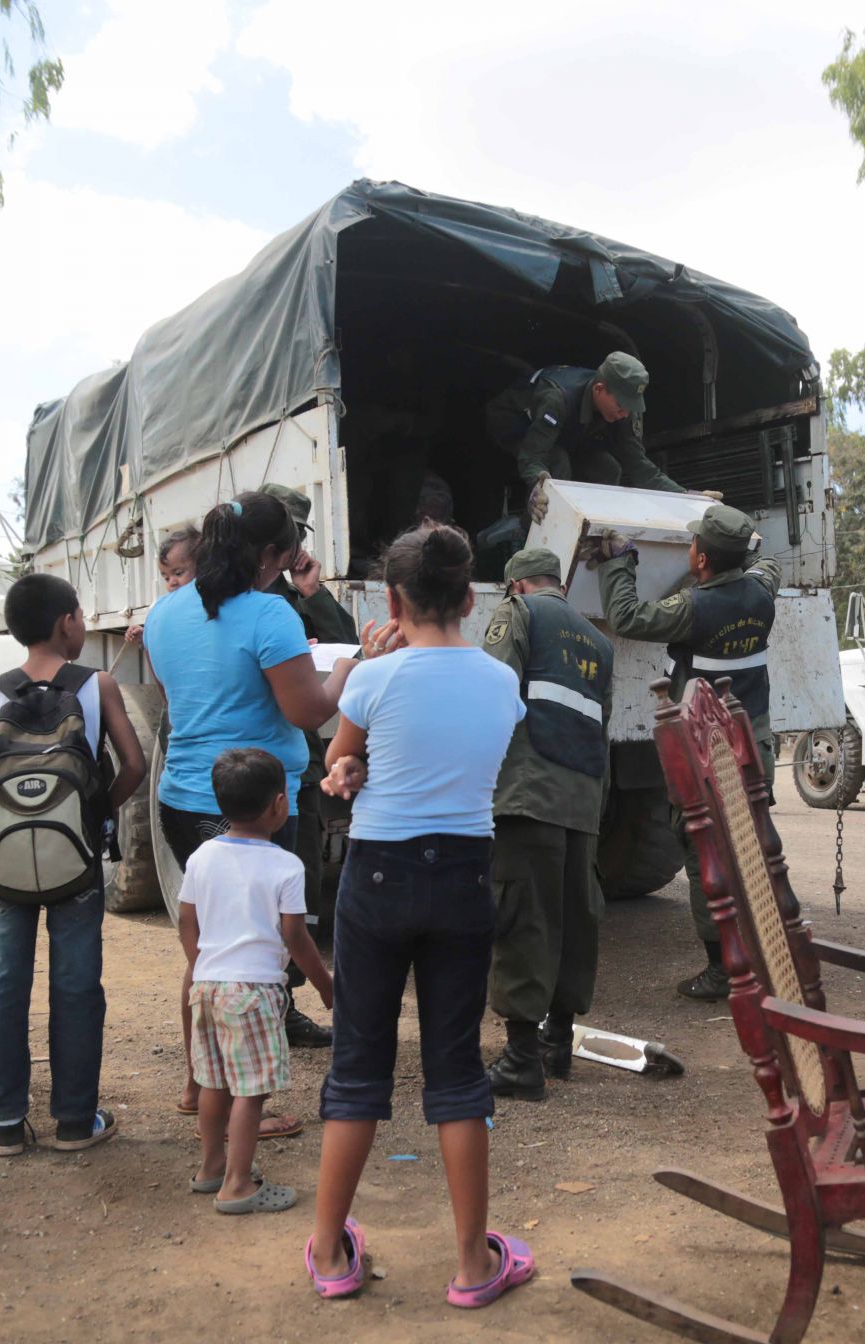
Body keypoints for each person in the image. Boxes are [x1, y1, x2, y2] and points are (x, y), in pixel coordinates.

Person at [304, 523, 533, 1306]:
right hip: (465, 873)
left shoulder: (374, 678)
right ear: (473, 597)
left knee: (359, 1066)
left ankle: (331, 1251)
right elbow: (449, 758)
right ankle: (473, 1264)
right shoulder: (501, 681)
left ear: (394, 602)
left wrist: (348, 769)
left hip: (377, 875)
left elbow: (344, 759)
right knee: (456, 1068)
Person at [142, 491, 354, 1139]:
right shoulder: (269, 615)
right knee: (251, 958)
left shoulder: (165, 612)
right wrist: (344, 670)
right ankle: (235, 1106)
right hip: (255, 803)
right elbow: (309, 712)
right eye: (288, 550)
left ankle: (195, 1083)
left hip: (182, 797)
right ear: (271, 555)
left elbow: (188, 691)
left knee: (207, 952)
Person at [0, 574, 148, 1158]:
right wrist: (92, 812)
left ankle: (3, 1123)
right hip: (75, 863)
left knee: (4, 983)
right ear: (65, 624)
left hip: (6, 866)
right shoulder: (96, 684)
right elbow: (134, 764)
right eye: (79, 615)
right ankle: (76, 1120)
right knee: (77, 984)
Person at [594, 503, 781, 1001]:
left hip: (708, 749)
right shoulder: (763, 595)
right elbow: (769, 564)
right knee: (754, 848)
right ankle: (769, 955)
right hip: (754, 741)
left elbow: (627, 615)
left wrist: (620, 561)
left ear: (700, 560)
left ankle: (723, 969)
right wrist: (749, 546)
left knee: (708, 858)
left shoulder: (694, 608)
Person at [480, 548, 613, 1101]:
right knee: (572, 918)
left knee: (523, 916)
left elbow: (491, 692)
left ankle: (519, 1061)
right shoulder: (598, 640)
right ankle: (557, 1045)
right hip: (581, 800)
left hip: (527, 793)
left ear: (516, 585)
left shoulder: (519, 614)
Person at [179, 748, 333, 1214]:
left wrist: (201, 962)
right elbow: (295, 935)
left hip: (206, 987)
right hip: (255, 992)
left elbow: (188, 919)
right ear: (280, 805)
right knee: (250, 1092)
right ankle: (238, 1185)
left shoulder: (203, 855)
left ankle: (210, 1169)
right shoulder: (285, 865)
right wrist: (325, 985)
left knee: (213, 1083)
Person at [261, 482, 358, 1030]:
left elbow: (345, 640)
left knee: (298, 878)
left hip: (295, 755)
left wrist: (312, 591)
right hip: (259, 758)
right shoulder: (248, 601)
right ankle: (268, 1003)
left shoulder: (293, 596)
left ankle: (287, 1000)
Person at [483, 353, 684, 518]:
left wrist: (685, 497)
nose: (625, 414)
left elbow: (639, 465)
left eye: (631, 407)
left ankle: (593, 530)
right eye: (621, 405)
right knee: (558, 462)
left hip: (565, 435)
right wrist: (538, 484)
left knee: (607, 467)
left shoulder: (625, 411)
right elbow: (533, 457)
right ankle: (541, 537)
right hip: (515, 426)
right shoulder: (557, 399)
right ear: (599, 389)